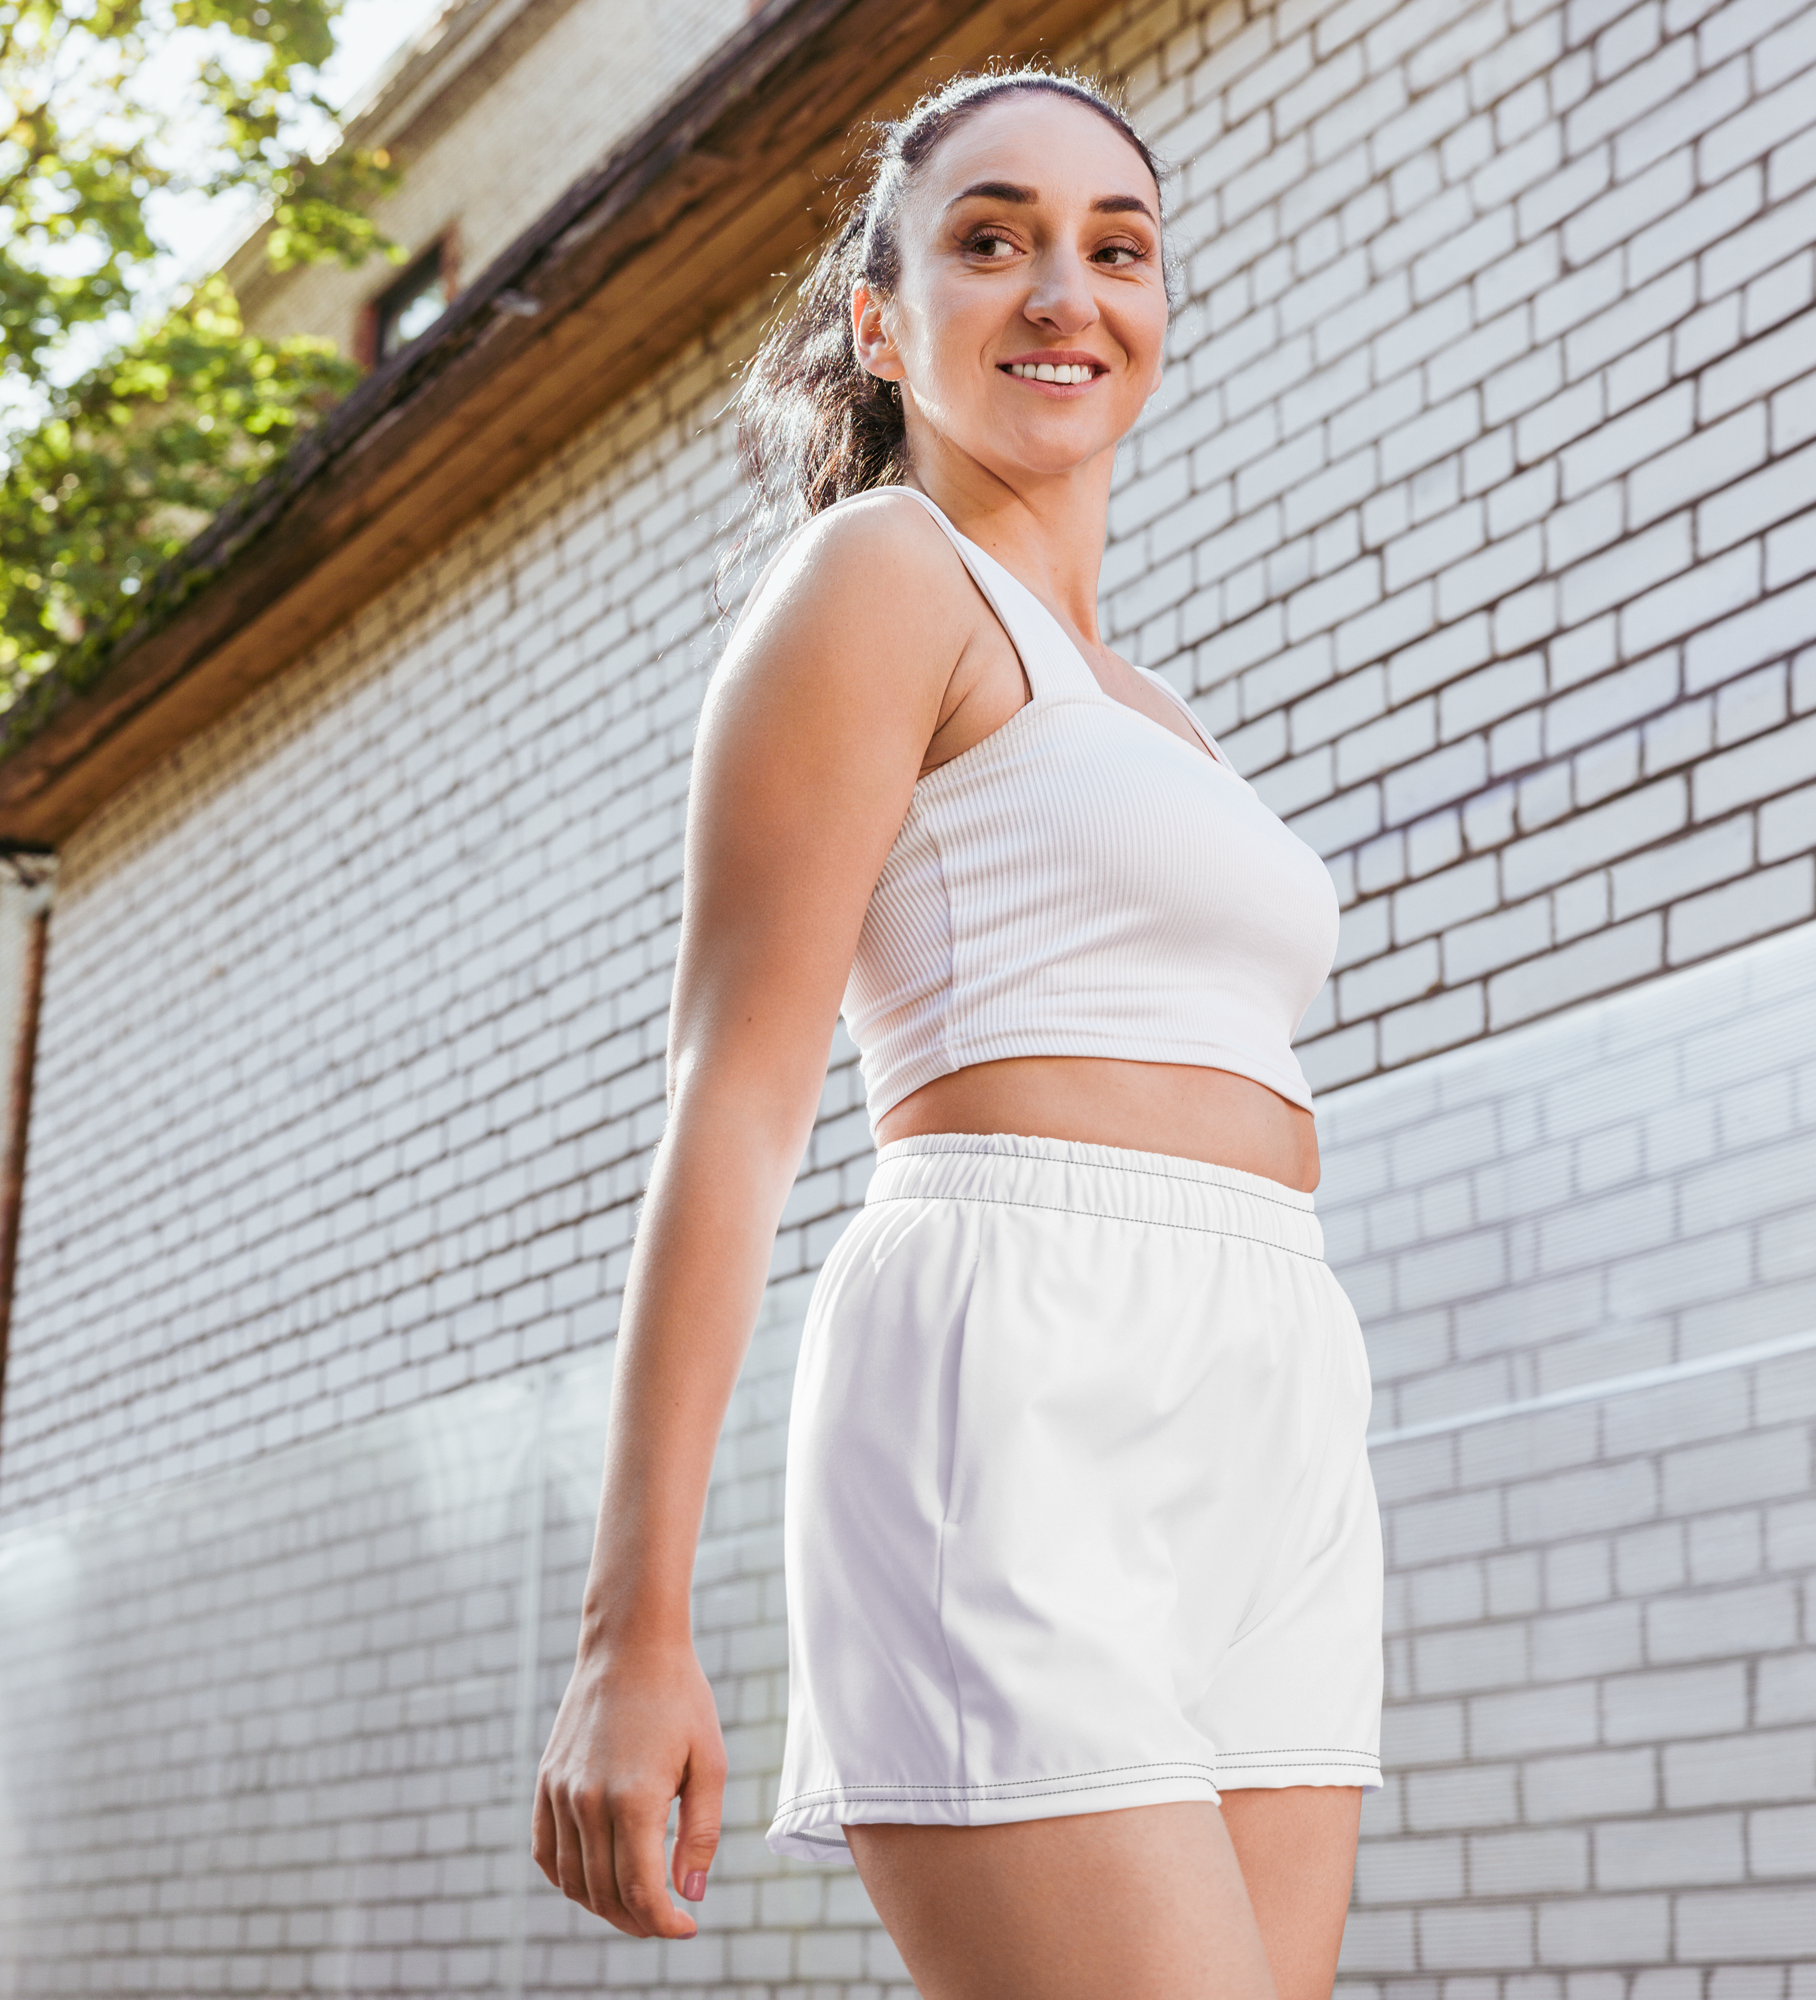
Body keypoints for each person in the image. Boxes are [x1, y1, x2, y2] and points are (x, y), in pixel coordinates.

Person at [531, 68, 1383, 2000]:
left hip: (1270, 1381)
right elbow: (733, 1100)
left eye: (1117, 249)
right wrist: (628, 1632)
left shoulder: (1158, 710)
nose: (1065, 291)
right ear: (881, 321)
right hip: (1016, 1363)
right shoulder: (880, 576)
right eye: (992, 240)